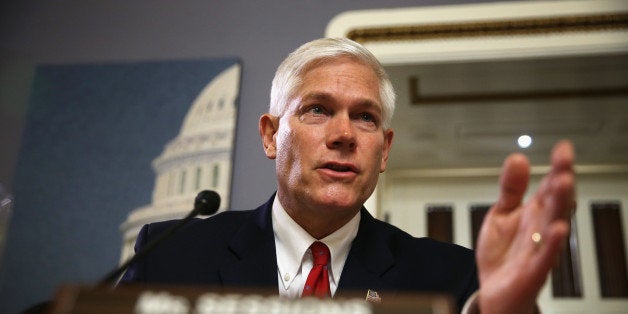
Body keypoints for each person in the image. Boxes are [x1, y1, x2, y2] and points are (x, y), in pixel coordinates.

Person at [120, 38, 575, 314]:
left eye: (365, 117)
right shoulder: (171, 256)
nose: (343, 135)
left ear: (384, 151)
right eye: (317, 110)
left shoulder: (450, 277)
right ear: (271, 135)